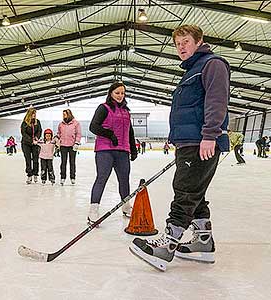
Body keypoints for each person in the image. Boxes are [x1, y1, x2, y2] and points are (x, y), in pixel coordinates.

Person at [129, 24, 230, 271]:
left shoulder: (212, 64)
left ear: (199, 41)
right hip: (189, 141)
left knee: (185, 191)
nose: (181, 47)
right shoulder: (191, 71)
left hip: (201, 141)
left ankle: (167, 246)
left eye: (185, 41)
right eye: (177, 44)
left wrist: (210, 135)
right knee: (196, 193)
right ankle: (203, 243)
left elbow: (217, 100)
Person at [88, 82, 137, 224]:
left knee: (124, 179)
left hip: (122, 150)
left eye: (122, 93)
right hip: (105, 150)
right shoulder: (104, 108)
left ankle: (126, 206)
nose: (120, 96)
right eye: (117, 93)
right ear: (111, 93)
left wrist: (133, 148)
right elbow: (93, 127)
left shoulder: (126, 111)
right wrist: (110, 134)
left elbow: (130, 131)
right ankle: (93, 209)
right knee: (102, 177)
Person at [57, 109, 82, 185]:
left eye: (65, 114)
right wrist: (57, 139)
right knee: (63, 162)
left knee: (72, 162)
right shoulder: (61, 124)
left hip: (72, 146)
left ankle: (72, 177)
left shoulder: (76, 123)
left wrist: (77, 143)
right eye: (63, 114)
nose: (64, 116)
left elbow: (78, 134)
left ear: (69, 114)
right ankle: (63, 177)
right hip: (63, 145)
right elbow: (59, 133)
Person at [20, 108, 42, 184]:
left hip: (35, 144)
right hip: (26, 144)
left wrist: (36, 138)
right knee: (28, 159)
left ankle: (35, 174)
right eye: (33, 113)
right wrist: (31, 140)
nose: (34, 115)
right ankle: (29, 175)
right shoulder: (24, 123)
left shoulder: (37, 122)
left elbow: (39, 131)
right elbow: (24, 133)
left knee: (36, 159)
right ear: (29, 114)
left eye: (35, 114)